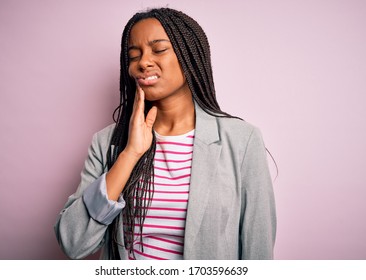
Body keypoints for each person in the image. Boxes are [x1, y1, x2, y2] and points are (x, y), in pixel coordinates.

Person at [54, 7, 276, 260]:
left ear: (189, 55)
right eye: (134, 56)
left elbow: (258, 249)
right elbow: (73, 242)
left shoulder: (241, 140)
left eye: (158, 50)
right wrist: (130, 154)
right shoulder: (107, 143)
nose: (143, 62)